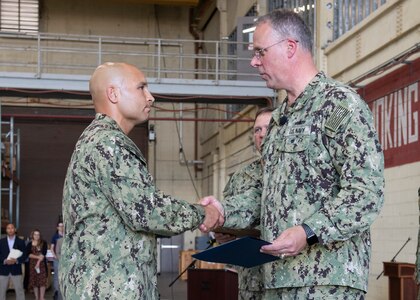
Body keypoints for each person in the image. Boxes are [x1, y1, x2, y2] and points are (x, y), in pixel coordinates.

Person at [202, 9, 384, 298]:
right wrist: (224, 212)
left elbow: (366, 193)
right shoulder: (278, 121)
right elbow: (264, 194)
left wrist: (308, 232)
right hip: (276, 280)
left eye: (261, 52)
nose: (254, 61)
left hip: (326, 282)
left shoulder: (340, 106)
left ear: (290, 47)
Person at [59, 62, 223, 300]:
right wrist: (202, 213)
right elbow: (147, 212)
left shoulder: (97, 140)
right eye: (141, 88)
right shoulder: (109, 144)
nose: (150, 97)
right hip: (110, 289)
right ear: (113, 94)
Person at [215, 107, 273, 300]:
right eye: (257, 130)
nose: (262, 134)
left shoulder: (300, 173)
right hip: (252, 280)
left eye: (268, 127)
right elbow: (228, 220)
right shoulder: (241, 177)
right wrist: (224, 235)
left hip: (290, 278)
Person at [0, 223, 26, 300]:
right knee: (1, 291)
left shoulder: (20, 241)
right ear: (6, 230)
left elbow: (24, 255)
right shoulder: (1, 242)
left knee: (19, 290)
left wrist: (17, 261)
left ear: (15, 229)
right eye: (8, 228)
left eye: (12, 228)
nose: (10, 230)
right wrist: (4, 260)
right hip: (3, 269)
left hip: (16, 269)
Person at [26, 230, 48, 300]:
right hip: (32, 265)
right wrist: (37, 257)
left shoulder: (44, 243)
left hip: (41, 265)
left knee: (42, 282)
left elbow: (43, 254)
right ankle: (36, 297)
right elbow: (28, 254)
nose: (36, 236)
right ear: (32, 235)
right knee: (34, 281)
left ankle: (42, 297)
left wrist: (38, 263)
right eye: (35, 234)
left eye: (38, 234)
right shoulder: (29, 244)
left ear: (40, 235)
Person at [50, 221, 63, 299]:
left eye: (63, 226)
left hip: (64, 260)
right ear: (57, 227)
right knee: (56, 276)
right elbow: (52, 248)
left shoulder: (66, 235)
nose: (61, 227)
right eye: (60, 226)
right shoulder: (55, 236)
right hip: (57, 259)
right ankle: (56, 291)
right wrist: (55, 257)